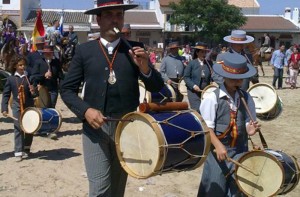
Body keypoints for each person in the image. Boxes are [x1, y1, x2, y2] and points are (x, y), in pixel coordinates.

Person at [60, 1, 164, 196]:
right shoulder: (85, 51)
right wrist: (85, 111)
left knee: (117, 189)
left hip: (126, 128)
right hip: (95, 130)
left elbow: (158, 87)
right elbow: (66, 90)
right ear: (98, 19)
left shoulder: (135, 49)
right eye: (109, 15)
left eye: (119, 14)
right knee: (100, 188)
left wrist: (145, 68)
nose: (115, 19)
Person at [198, 53, 260, 196]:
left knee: (238, 188)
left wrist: (249, 129)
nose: (236, 82)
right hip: (218, 153)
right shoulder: (212, 98)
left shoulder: (246, 97)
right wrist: (218, 146)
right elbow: (207, 128)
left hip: (240, 150)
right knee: (215, 188)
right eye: (232, 79)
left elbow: (246, 122)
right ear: (224, 76)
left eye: (239, 79)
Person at [1, 55, 35, 162]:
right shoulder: (11, 79)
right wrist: (4, 108)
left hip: (29, 105)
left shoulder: (29, 78)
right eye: (20, 65)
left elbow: (35, 95)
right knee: (18, 127)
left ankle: (26, 148)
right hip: (16, 105)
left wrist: (33, 90)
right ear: (15, 66)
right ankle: (18, 151)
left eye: (24, 65)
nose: (22, 67)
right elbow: (6, 95)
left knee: (30, 127)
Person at [183, 42, 213, 112]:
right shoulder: (192, 63)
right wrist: (193, 86)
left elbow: (213, 76)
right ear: (197, 53)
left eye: (205, 52)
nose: (204, 54)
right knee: (197, 109)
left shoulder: (209, 64)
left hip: (205, 91)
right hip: (193, 92)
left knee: (206, 110)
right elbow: (186, 77)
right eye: (202, 52)